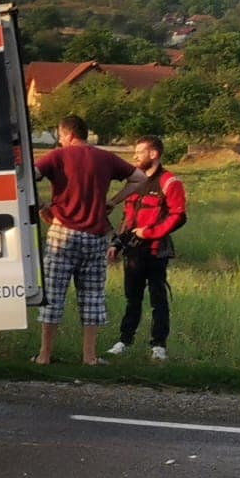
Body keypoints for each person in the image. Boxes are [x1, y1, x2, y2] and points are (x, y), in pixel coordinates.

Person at [33, 115, 148, 367]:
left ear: (67, 134)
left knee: (53, 295)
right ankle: (89, 357)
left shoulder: (58, 156)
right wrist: (114, 201)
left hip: (62, 233)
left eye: (60, 136)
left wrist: (43, 208)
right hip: (96, 236)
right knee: (93, 297)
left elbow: (30, 176)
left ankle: (44, 355)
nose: (60, 140)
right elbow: (140, 178)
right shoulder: (105, 157)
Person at [108, 136, 188, 363]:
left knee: (158, 299)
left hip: (155, 251)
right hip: (132, 251)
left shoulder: (170, 182)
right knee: (132, 298)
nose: (135, 157)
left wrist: (151, 233)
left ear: (153, 154)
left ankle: (159, 346)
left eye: (140, 152)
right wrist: (117, 243)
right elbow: (128, 216)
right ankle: (124, 341)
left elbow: (179, 216)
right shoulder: (135, 182)